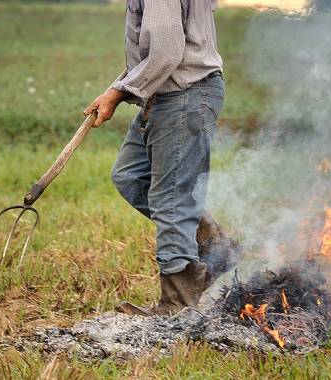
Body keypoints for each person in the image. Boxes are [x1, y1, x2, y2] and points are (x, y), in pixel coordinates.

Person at [83, 0, 239, 316]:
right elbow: (159, 50)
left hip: (184, 93)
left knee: (171, 199)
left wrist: (116, 94)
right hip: (164, 94)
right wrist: (121, 88)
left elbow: (166, 53)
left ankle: (178, 303)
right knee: (130, 175)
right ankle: (216, 248)